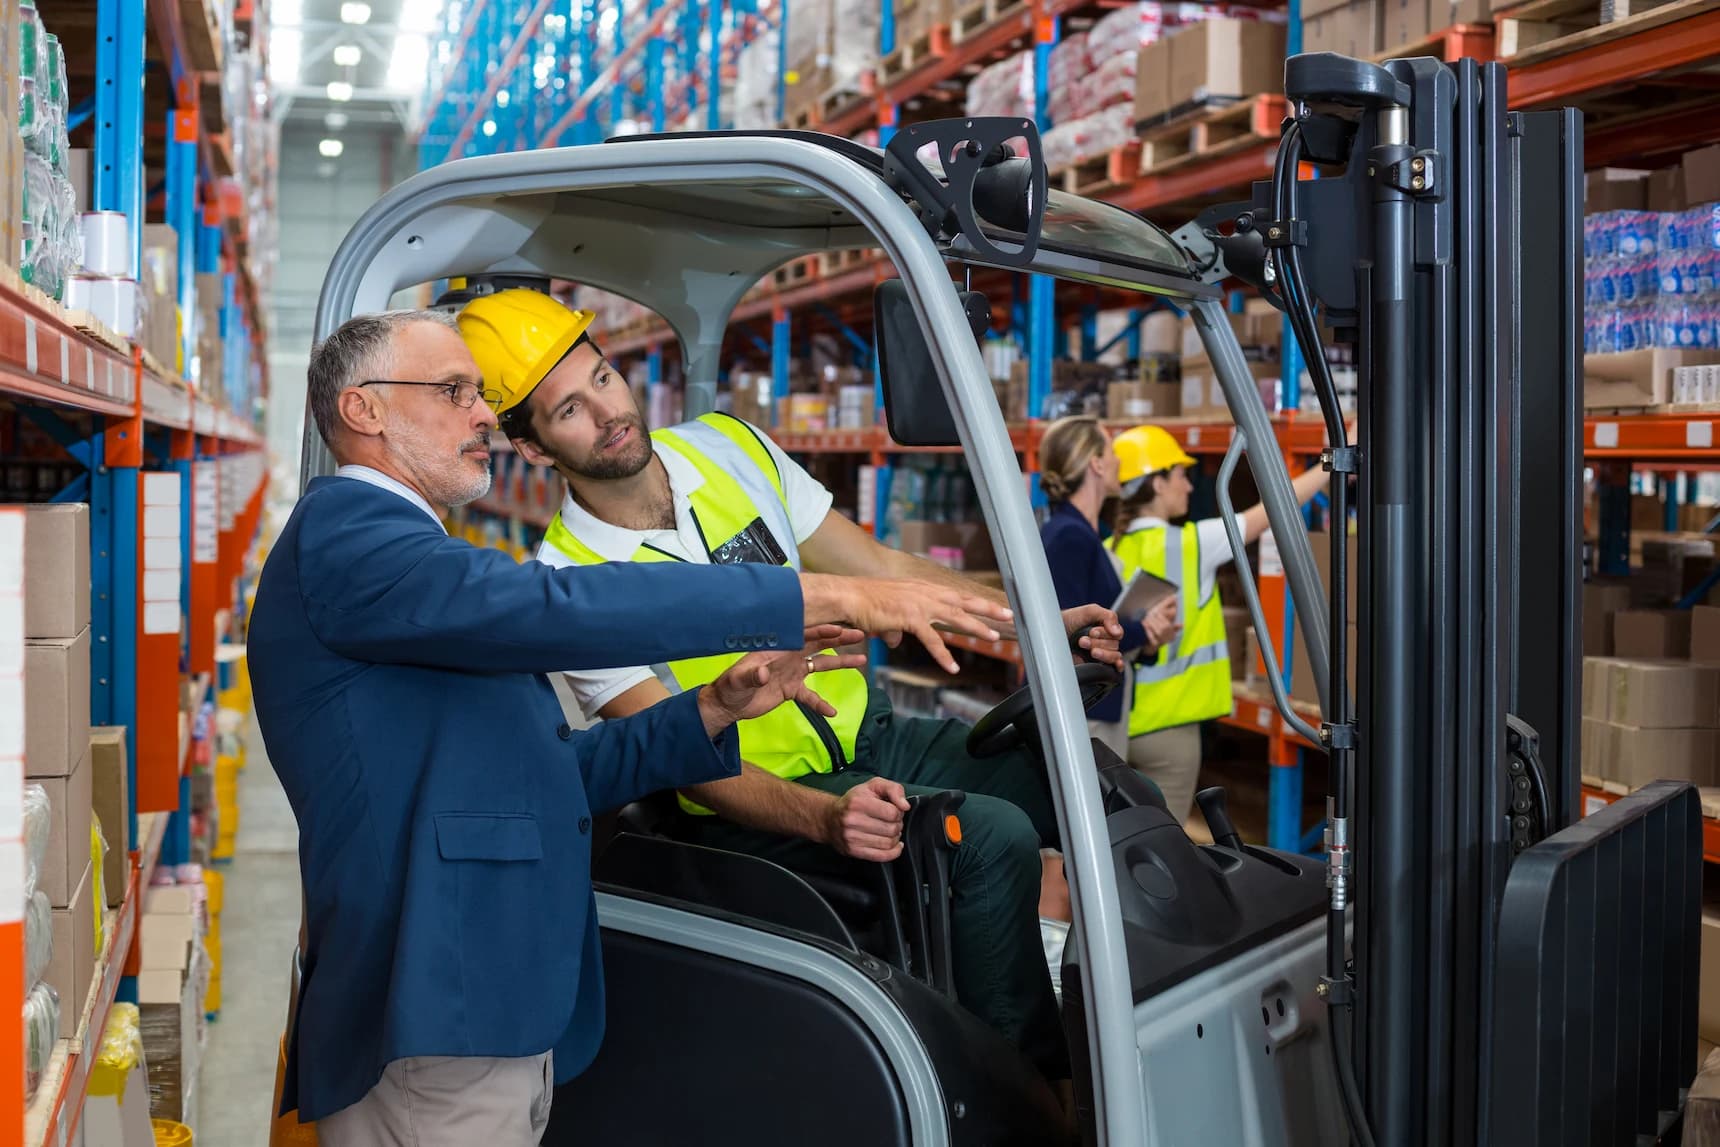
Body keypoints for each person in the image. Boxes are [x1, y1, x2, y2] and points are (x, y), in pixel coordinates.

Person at [250, 308, 1014, 1145]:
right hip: (437, 1002)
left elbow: (548, 769)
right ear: (363, 410)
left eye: (479, 393)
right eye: (454, 390)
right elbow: (554, 606)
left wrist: (713, 708)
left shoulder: (409, 564)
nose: (481, 416)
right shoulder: (349, 536)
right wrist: (820, 593)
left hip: (495, 1002)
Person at [456, 288, 1139, 1081]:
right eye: (568, 409)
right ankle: (1027, 1095)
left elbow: (884, 572)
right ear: (535, 448)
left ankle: (1138, 1026)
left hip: (872, 735)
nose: (608, 411)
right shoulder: (567, 579)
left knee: (1096, 785)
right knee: (989, 840)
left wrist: (1038, 624)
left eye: (603, 378)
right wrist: (827, 817)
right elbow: (679, 761)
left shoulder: (728, 445)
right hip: (762, 803)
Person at [1107, 423, 1327, 824]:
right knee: (1159, 851)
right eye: (1180, 476)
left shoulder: (1107, 551)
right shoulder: (1192, 544)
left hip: (1112, 728)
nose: (1189, 487)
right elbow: (1272, 511)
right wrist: (1329, 462)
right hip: (1170, 734)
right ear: (1156, 484)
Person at [1036, 416, 1181, 759]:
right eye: (1112, 451)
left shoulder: (1083, 532)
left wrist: (1144, 640)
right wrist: (1141, 630)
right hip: (1082, 712)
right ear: (1097, 464)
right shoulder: (1068, 536)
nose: (1119, 460)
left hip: (1094, 706)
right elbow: (1070, 633)